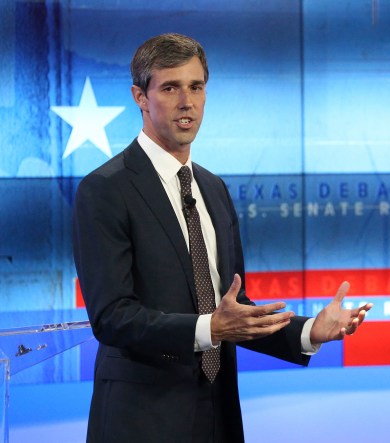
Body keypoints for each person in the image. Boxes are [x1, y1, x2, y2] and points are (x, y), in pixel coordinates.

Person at [72, 33, 373, 443]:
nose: (187, 101)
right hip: (141, 420)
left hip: (218, 416)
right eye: (170, 87)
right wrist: (209, 329)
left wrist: (309, 331)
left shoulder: (213, 188)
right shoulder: (106, 189)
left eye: (196, 87)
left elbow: (235, 311)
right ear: (140, 97)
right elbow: (112, 317)